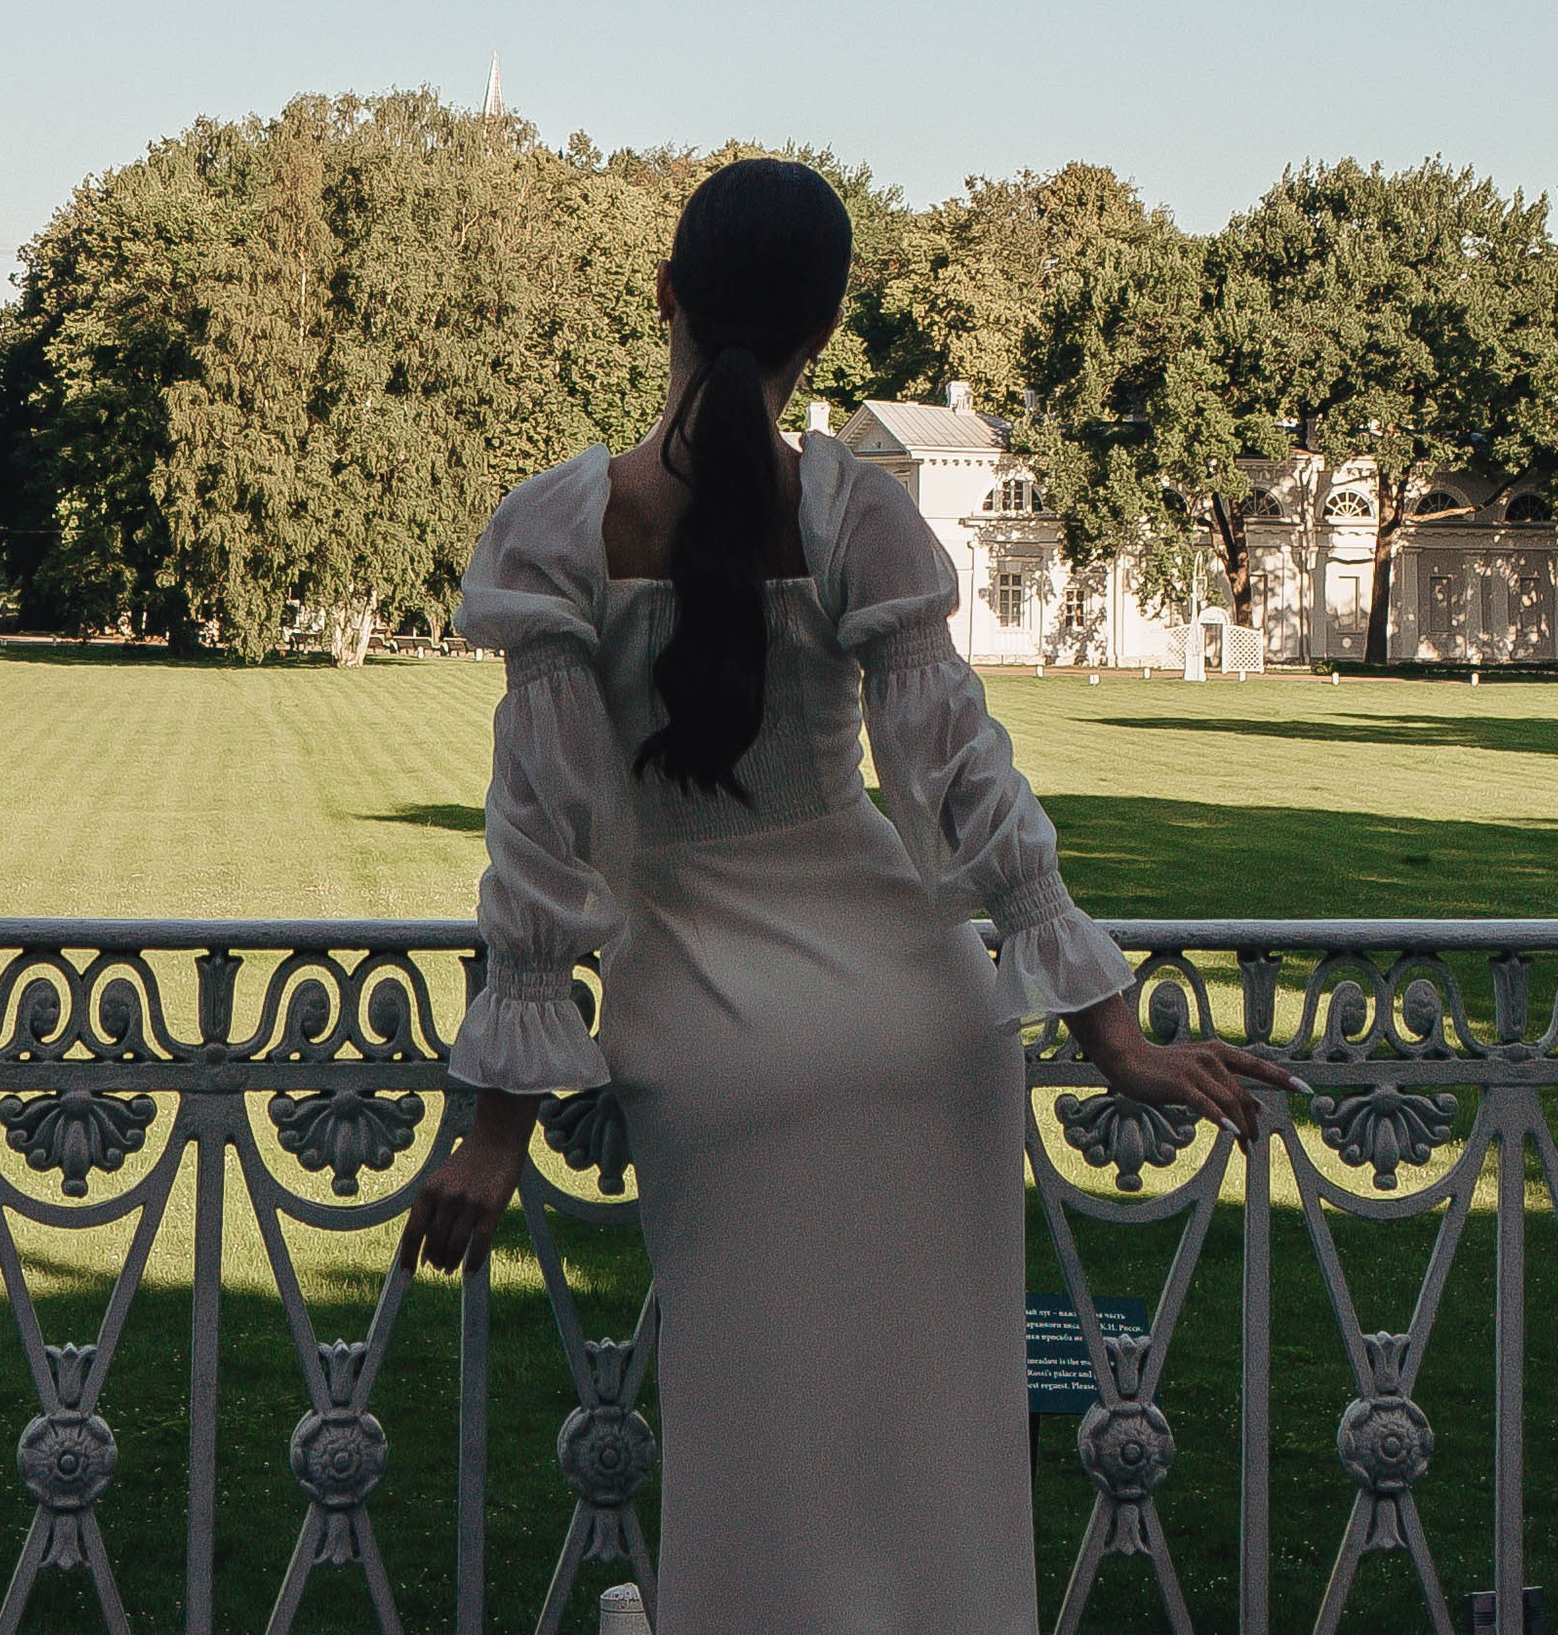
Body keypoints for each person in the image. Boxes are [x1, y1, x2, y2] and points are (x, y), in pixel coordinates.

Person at [399, 156, 1286, 1635]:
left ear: (665, 298)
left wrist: (499, 1125)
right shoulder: (859, 519)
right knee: (931, 1468)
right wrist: (1108, 1030)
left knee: (761, 1474)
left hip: (717, 1043)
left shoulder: (563, 529)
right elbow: (965, 783)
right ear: (827, 330)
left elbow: (540, 844)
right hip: (920, 1037)